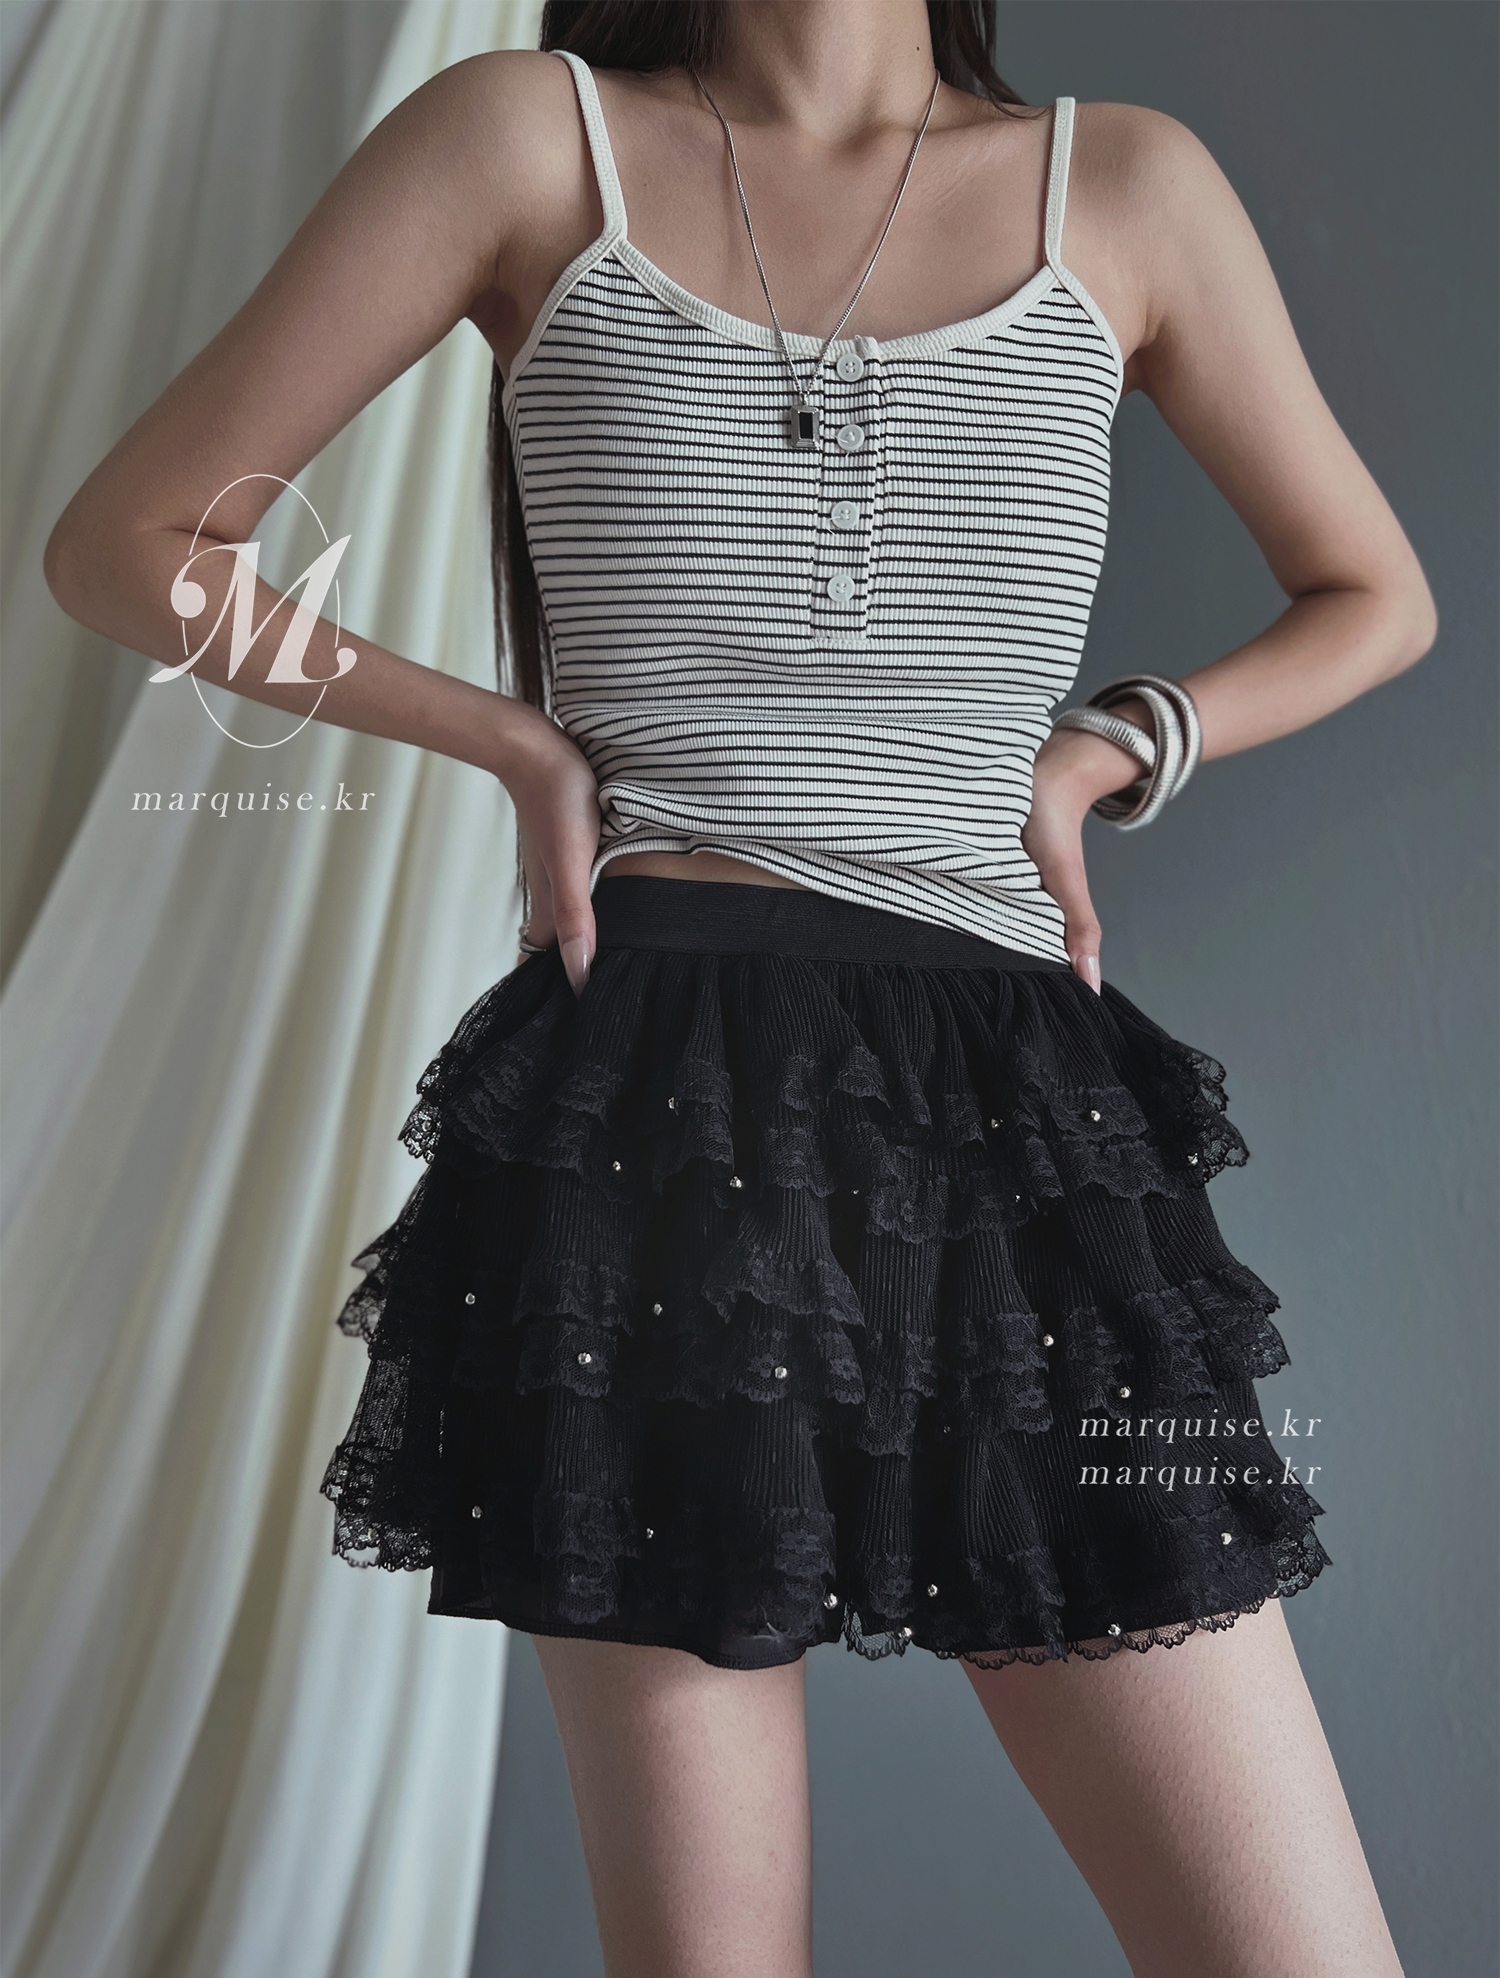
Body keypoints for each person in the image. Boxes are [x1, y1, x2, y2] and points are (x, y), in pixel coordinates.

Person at [44, 2, 1431, 1971]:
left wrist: (1114, 742)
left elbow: (1378, 590)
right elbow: (128, 541)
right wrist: (509, 741)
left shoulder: (1126, 188)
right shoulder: (526, 141)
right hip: (653, 1131)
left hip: (1016, 1130)